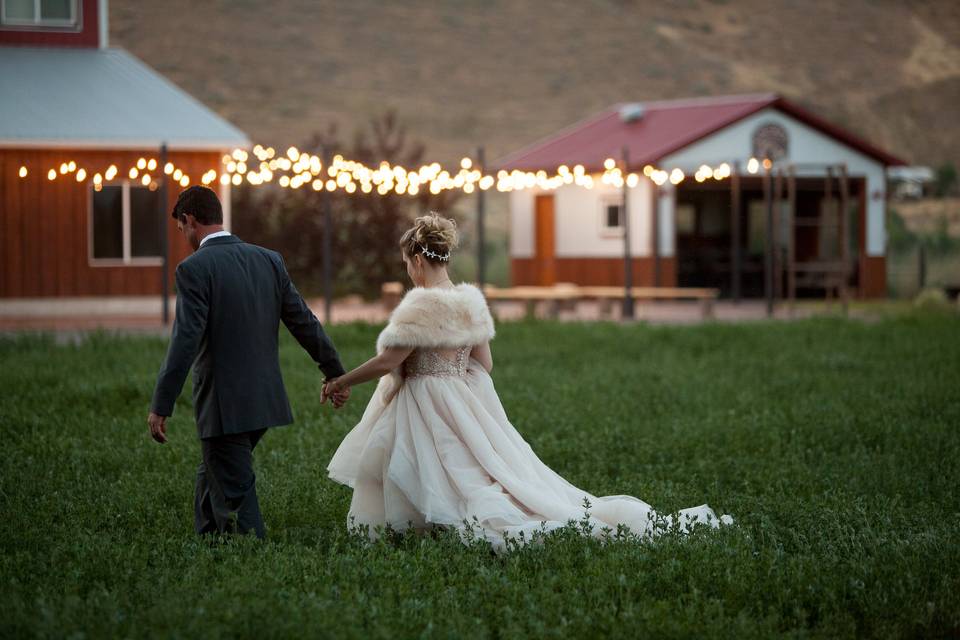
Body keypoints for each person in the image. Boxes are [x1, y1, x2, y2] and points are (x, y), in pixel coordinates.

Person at [323, 213, 733, 552]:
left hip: (425, 397)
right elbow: (485, 362)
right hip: (458, 397)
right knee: (469, 466)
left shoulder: (420, 304)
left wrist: (343, 379)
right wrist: (451, 376)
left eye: (407, 264)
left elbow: (389, 359)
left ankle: (421, 529)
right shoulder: (471, 301)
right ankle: (434, 527)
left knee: (433, 466)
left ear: (416, 260)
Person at [147, 185, 348, 539]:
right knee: (215, 469)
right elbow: (303, 321)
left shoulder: (194, 268)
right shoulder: (268, 259)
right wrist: (334, 372)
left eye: (182, 229)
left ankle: (252, 557)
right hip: (264, 398)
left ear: (189, 220)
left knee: (235, 492)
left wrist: (162, 403)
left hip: (225, 403)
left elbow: (185, 340)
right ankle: (208, 543)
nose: (183, 237)